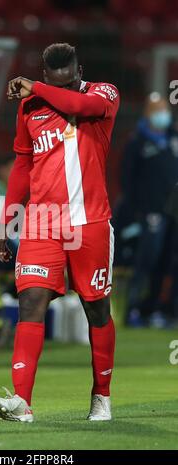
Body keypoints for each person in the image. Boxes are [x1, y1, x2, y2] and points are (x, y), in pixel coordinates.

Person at [0, 43, 120, 422]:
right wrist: (5, 218)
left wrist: (35, 87)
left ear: (81, 69)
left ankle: (101, 395)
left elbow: (80, 107)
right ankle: (21, 402)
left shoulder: (102, 93)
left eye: (74, 76)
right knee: (30, 303)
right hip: (42, 223)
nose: (71, 84)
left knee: (96, 308)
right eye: (58, 80)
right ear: (46, 75)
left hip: (90, 222)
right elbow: (22, 164)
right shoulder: (29, 107)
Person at [121, 92, 178, 327]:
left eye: (164, 109)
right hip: (150, 211)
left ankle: (156, 309)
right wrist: (136, 210)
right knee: (147, 260)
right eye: (157, 109)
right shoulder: (137, 142)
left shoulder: (172, 139)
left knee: (167, 261)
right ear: (147, 113)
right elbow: (127, 179)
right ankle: (132, 309)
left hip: (172, 211)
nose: (162, 114)